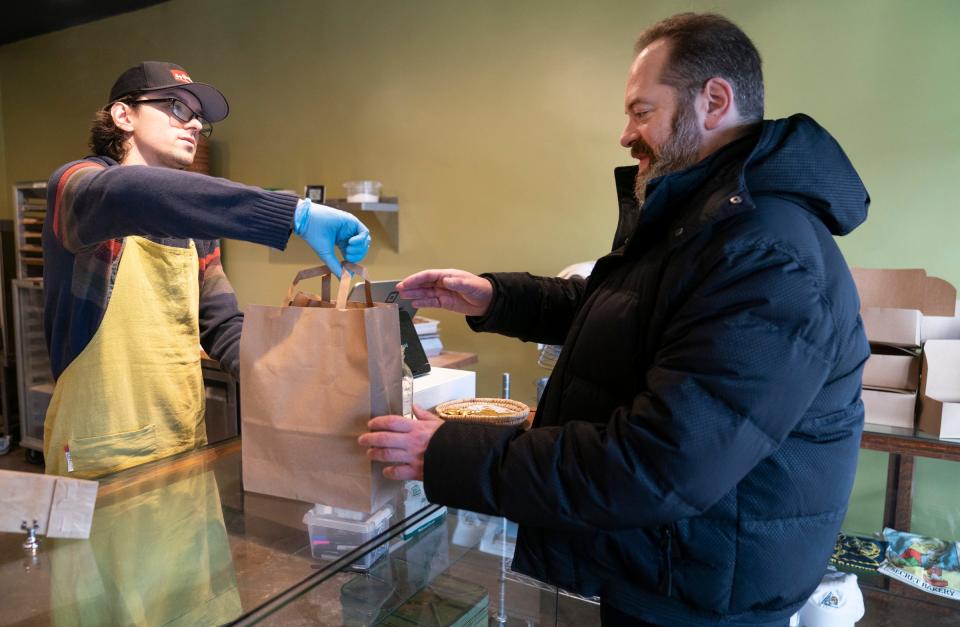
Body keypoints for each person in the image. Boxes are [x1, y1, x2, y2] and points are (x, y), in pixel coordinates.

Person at [359, 13, 870, 626]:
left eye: (642, 111)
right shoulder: (708, 222)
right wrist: (498, 298)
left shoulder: (767, 255)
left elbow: (661, 463)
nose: (626, 134)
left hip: (704, 598)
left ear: (713, 101)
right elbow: (626, 312)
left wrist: (450, 455)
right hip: (670, 568)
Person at [43, 61, 370, 478]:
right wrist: (293, 214)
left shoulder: (195, 231)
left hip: (182, 445)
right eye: (178, 107)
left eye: (199, 117)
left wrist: (292, 380)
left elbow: (221, 324)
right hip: (100, 455)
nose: (195, 124)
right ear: (123, 115)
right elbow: (132, 195)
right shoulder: (80, 191)